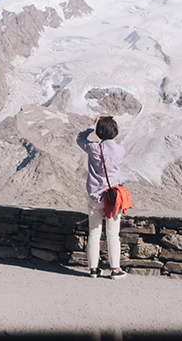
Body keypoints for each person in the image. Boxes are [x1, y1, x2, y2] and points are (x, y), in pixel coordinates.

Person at [76, 115, 127, 279]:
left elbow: (80, 138)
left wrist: (93, 125)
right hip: (113, 197)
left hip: (95, 196)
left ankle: (93, 269)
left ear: (99, 132)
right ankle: (115, 270)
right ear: (115, 131)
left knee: (94, 233)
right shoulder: (120, 150)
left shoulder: (93, 148)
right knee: (113, 234)